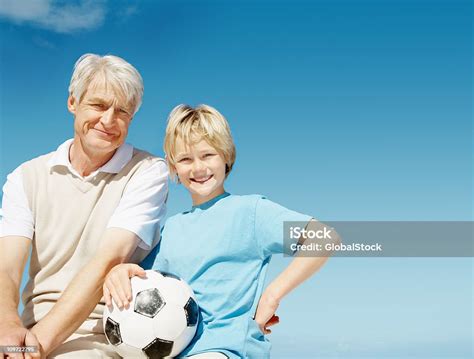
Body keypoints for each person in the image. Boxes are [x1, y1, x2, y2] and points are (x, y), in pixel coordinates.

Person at [104, 104, 338, 358]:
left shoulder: (251, 212)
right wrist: (121, 270)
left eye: (207, 155)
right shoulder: (170, 230)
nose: (198, 168)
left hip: (229, 350)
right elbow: (146, 281)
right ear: (174, 168)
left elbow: (325, 237)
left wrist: (272, 294)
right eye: (185, 159)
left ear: (226, 156)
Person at [0, 53, 168, 358]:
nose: (108, 121)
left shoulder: (148, 171)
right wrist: (8, 328)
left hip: (99, 338)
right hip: (27, 334)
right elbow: (8, 269)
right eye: (99, 105)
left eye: (122, 112)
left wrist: (35, 346)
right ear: (72, 103)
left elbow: (107, 260)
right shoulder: (25, 178)